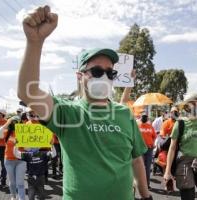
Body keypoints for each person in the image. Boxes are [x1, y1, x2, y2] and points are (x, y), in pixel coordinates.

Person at [17, 5, 151, 200]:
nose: (104, 77)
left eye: (109, 72)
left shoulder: (124, 113)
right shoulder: (66, 113)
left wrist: (146, 195)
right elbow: (28, 93)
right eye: (97, 71)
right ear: (80, 76)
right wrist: (34, 42)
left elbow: (136, 159)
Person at [0, 115, 27, 200]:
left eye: (17, 121)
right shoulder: (6, 132)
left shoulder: (24, 132)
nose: (15, 123)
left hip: (21, 160)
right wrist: (8, 122)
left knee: (20, 183)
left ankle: (21, 198)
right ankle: (13, 196)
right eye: (13, 122)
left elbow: (29, 147)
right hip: (9, 160)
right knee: (12, 182)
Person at [138, 113, 157, 188]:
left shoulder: (150, 127)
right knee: (141, 167)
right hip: (140, 149)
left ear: (147, 118)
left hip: (149, 148)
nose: (144, 118)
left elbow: (154, 136)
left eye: (145, 117)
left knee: (148, 167)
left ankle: (147, 184)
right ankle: (141, 184)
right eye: (143, 117)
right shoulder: (137, 126)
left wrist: (153, 143)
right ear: (140, 118)